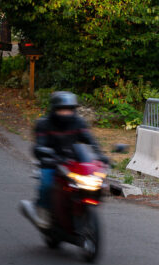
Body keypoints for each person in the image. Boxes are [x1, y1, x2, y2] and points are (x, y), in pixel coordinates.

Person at [33, 91, 108, 227]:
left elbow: (90, 140)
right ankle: (43, 209)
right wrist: (44, 152)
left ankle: (78, 209)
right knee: (46, 185)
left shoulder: (78, 122)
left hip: (71, 161)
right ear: (54, 109)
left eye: (69, 109)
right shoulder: (44, 124)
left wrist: (99, 155)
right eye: (62, 110)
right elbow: (39, 145)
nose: (66, 113)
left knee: (91, 182)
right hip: (50, 162)